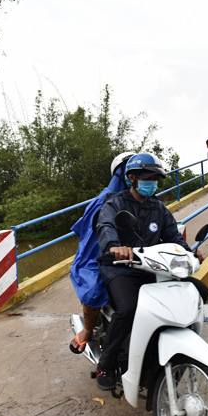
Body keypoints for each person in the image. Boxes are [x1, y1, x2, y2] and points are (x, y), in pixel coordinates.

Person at [94, 152, 208, 390]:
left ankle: (166, 344)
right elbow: (105, 226)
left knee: (200, 290)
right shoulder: (115, 203)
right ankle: (104, 366)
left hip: (152, 267)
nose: (152, 182)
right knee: (128, 308)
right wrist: (114, 247)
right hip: (120, 268)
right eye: (148, 177)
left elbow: (173, 236)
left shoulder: (159, 207)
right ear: (132, 178)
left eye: (156, 178)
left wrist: (190, 253)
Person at [69, 151, 134, 354]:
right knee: (94, 285)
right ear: (123, 174)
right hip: (97, 254)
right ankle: (88, 329)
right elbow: (90, 239)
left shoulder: (141, 199)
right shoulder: (104, 202)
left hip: (132, 257)